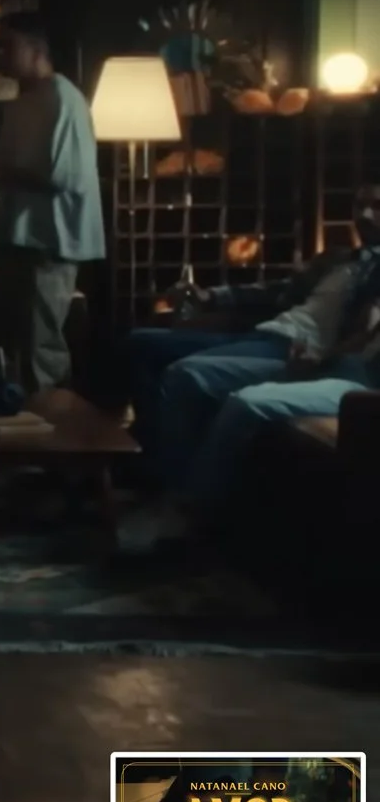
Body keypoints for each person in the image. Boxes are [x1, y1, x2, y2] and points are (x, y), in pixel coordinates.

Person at [126, 186, 380, 550]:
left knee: (198, 379)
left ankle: (183, 504)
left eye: (377, 207)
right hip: (269, 332)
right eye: (361, 205)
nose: (365, 215)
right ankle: (149, 475)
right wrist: (213, 296)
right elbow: (279, 290)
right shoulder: (339, 258)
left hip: (310, 356)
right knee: (160, 358)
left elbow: (367, 328)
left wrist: (323, 358)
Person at [0, 13, 105, 395]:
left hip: (48, 244)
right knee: (9, 345)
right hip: (17, 240)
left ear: (36, 49)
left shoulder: (62, 98)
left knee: (39, 348)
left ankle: (51, 425)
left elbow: (61, 175)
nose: (0, 55)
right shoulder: (20, 100)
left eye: (9, 46)